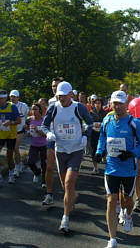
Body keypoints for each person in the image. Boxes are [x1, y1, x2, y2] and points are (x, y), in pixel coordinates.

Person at [95, 90, 140, 248]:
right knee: (111, 201)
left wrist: (132, 153)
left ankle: (128, 215)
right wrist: (99, 151)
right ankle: (112, 239)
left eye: (120, 103)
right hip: (111, 168)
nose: (117, 106)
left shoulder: (134, 123)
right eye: (114, 103)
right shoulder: (107, 120)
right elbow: (102, 137)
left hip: (129, 169)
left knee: (127, 200)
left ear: (126, 104)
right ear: (110, 104)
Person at [42, 81, 93, 233]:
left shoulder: (79, 107)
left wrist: (85, 136)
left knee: (69, 183)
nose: (62, 98)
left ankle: (65, 219)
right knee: (65, 185)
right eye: (59, 95)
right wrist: (48, 133)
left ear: (71, 94)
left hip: (76, 150)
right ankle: (71, 198)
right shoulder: (53, 108)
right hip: (61, 150)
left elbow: (90, 124)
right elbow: (44, 125)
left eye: (64, 95)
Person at [42, 77, 63, 206]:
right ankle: (49, 194)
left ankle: (68, 194)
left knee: (64, 171)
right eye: (53, 86)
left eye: (57, 86)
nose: (54, 88)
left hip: (66, 139)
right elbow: (47, 120)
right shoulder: (50, 101)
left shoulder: (71, 101)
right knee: (49, 167)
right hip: (53, 137)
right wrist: (48, 132)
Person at [0, 89, 21, 184]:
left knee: (9, 156)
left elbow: (19, 121)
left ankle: (11, 174)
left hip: (11, 135)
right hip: (1, 134)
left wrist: (10, 122)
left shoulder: (12, 107)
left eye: (1, 99)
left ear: (5, 98)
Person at [26, 103, 47, 187]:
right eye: (32, 109)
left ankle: (44, 181)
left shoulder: (44, 120)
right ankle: (37, 172)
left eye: (35, 109)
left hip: (43, 144)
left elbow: (46, 134)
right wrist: (27, 133)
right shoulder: (29, 120)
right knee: (30, 162)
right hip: (33, 144)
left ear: (40, 111)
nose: (34, 111)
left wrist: (37, 130)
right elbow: (27, 130)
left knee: (43, 163)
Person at [9, 90, 29, 178]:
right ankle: (19, 163)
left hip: (20, 130)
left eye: (14, 97)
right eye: (11, 96)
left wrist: (26, 124)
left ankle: (17, 168)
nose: (13, 98)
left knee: (15, 148)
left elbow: (26, 116)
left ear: (18, 97)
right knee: (13, 149)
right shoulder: (8, 106)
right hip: (11, 130)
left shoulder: (23, 106)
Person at [90, 98, 107, 175]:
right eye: (96, 103)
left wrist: (100, 124)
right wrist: (93, 124)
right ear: (94, 104)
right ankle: (95, 167)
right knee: (93, 150)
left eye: (99, 103)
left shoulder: (105, 113)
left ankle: (103, 157)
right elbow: (87, 122)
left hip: (102, 134)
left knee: (103, 150)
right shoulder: (91, 113)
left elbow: (107, 122)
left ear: (101, 104)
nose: (97, 104)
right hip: (93, 133)